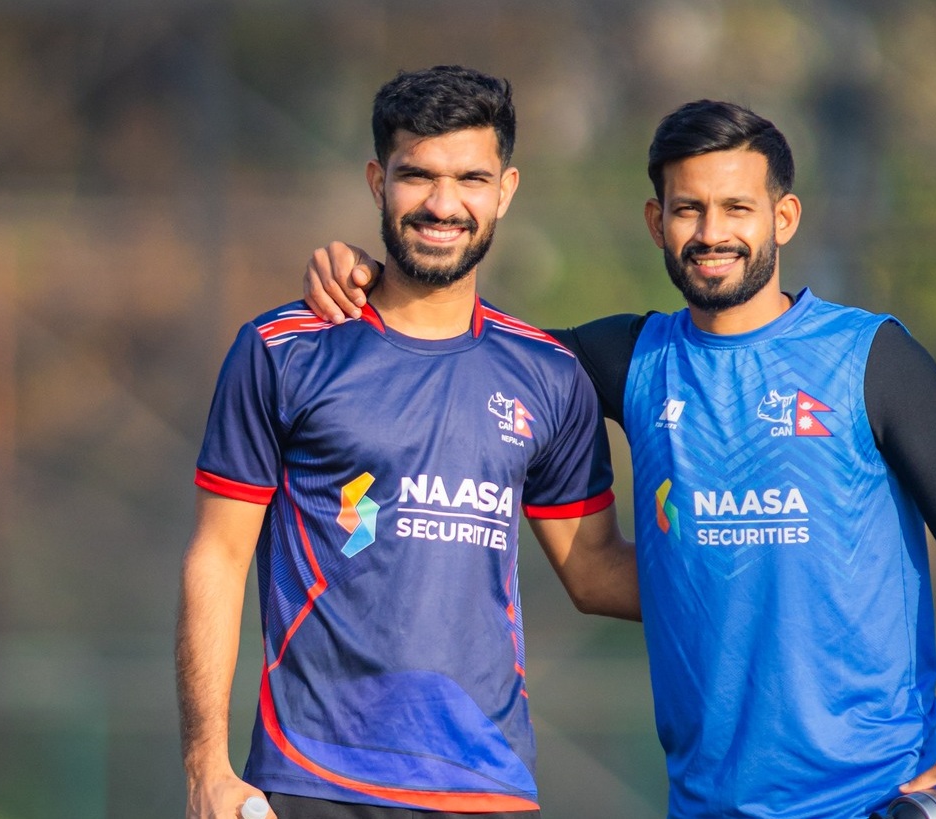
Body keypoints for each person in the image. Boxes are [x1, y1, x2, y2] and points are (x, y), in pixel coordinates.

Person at [304, 101, 936, 819]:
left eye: (736, 208)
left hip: (875, 798)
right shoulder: (629, 359)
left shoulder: (870, 356)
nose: (712, 233)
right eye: (688, 210)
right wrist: (369, 279)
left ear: (783, 218)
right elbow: (473, 347)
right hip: (701, 805)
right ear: (657, 222)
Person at [176, 66, 639, 819]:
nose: (443, 204)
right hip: (313, 782)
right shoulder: (283, 350)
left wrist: (764, 578)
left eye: (470, 178)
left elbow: (595, 574)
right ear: (377, 181)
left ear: (506, 190)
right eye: (417, 175)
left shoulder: (550, 374)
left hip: (487, 789)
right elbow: (217, 557)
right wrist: (207, 767)